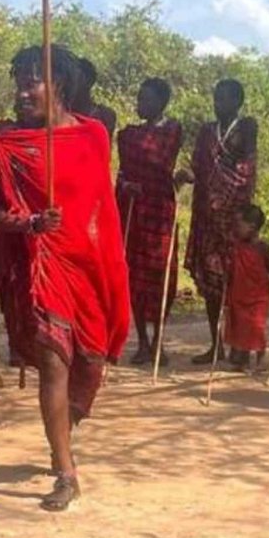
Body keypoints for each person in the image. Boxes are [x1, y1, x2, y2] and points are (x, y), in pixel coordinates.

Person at [0, 44, 130, 513]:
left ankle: (62, 433)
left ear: (58, 85)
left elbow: (101, 208)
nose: (22, 92)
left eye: (32, 82)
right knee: (53, 364)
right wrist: (26, 224)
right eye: (19, 82)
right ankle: (67, 472)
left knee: (88, 366)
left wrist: (105, 263)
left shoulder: (92, 136)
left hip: (89, 268)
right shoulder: (2, 142)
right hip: (41, 270)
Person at [179, 79, 258, 364]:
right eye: (215, 98)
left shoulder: (247, 127)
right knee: (212, 284)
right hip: (207, 219)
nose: (218, 103)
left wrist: (221, 193)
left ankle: (240, 346)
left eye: (224, 99)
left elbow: (242, 164)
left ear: (238, 101)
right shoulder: (205, 132)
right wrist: (187, 176)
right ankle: (216, 344)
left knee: (236, 283)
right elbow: (200, 167)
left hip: (234, 220)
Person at [114, 78, 183, 365]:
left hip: (160, 213)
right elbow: (122, 172)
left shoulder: (172, 131)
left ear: (161, 103)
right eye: (139, 98)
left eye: (146, 99)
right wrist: (126, 184)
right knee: (134, 276)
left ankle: (158, 341)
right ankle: (142, 341)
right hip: (134, 211)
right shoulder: (126, 134)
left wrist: (142, 178)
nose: (139, 103)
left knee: (162, 274)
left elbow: (160, 164)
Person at [223, 204, 269, 373]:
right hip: (239, 293)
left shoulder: (263, 249)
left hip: (258, 296)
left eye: (238, 225)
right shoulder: (236, 247)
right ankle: (243, 360)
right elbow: (231, 268)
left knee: (256, 327)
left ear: (252, 227)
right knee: (240, 326)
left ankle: (261, 359)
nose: (235, 229)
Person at [71, 57, 118, 140]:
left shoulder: (105, 115)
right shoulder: (60, 116)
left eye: (75, 78)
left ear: (88, 82)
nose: (70, 83)